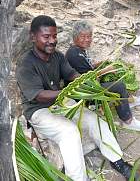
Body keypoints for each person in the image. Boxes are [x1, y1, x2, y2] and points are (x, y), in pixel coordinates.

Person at [16, 15, 140, 181]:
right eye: (46, 36)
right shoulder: (25, 64)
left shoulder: (58, 56)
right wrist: (68, 92)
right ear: (33, 36)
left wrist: (83, 81)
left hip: (61, 103)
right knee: (70, 132)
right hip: (38, 110)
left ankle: (118, 162)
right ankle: (78, 178)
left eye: (54, 36)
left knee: (95, 121)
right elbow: (39, 96)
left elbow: (71, 73)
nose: (52, 41)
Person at [65, 20, 140, 132]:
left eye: (89, 36)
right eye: (83, 36)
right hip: (83, 93)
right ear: (75, 37)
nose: (87, 39)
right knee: (119, 86)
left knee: (116, 78)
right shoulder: (74, 54)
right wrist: (106, 70)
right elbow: (87, 77)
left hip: (88, 86)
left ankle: (129, 100)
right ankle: (127, 120)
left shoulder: (79, 50)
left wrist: (101, 63)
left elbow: (87, 68)